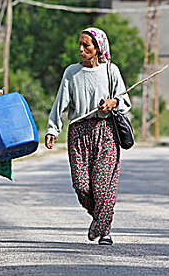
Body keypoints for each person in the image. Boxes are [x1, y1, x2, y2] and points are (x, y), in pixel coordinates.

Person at [45, 27, 131, 245]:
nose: (81, 50)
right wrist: (53, 129)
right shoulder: (71, 72)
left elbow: (125, 102)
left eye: (87, 45)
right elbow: (60, 104)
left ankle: (104, 228)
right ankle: (101, 222)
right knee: (82, 187)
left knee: (103, 187)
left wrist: (113, 102)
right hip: (78, 134)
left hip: (106, 132)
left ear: (98, 47)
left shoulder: (111, 71)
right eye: (80, 45)